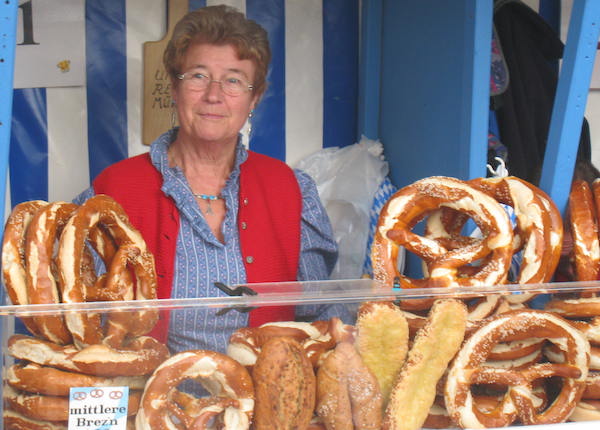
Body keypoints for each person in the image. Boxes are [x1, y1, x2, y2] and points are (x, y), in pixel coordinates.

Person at [74, 5, 339, 354]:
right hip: (147, 398)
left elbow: (319, 311)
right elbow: (75, 314)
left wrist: (347, 345)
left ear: (253, 98)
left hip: (268, 400)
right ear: (173, 87)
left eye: (233, 80)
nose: (214, 95)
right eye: (198, 76)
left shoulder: (292, 190)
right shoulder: (112, 192)